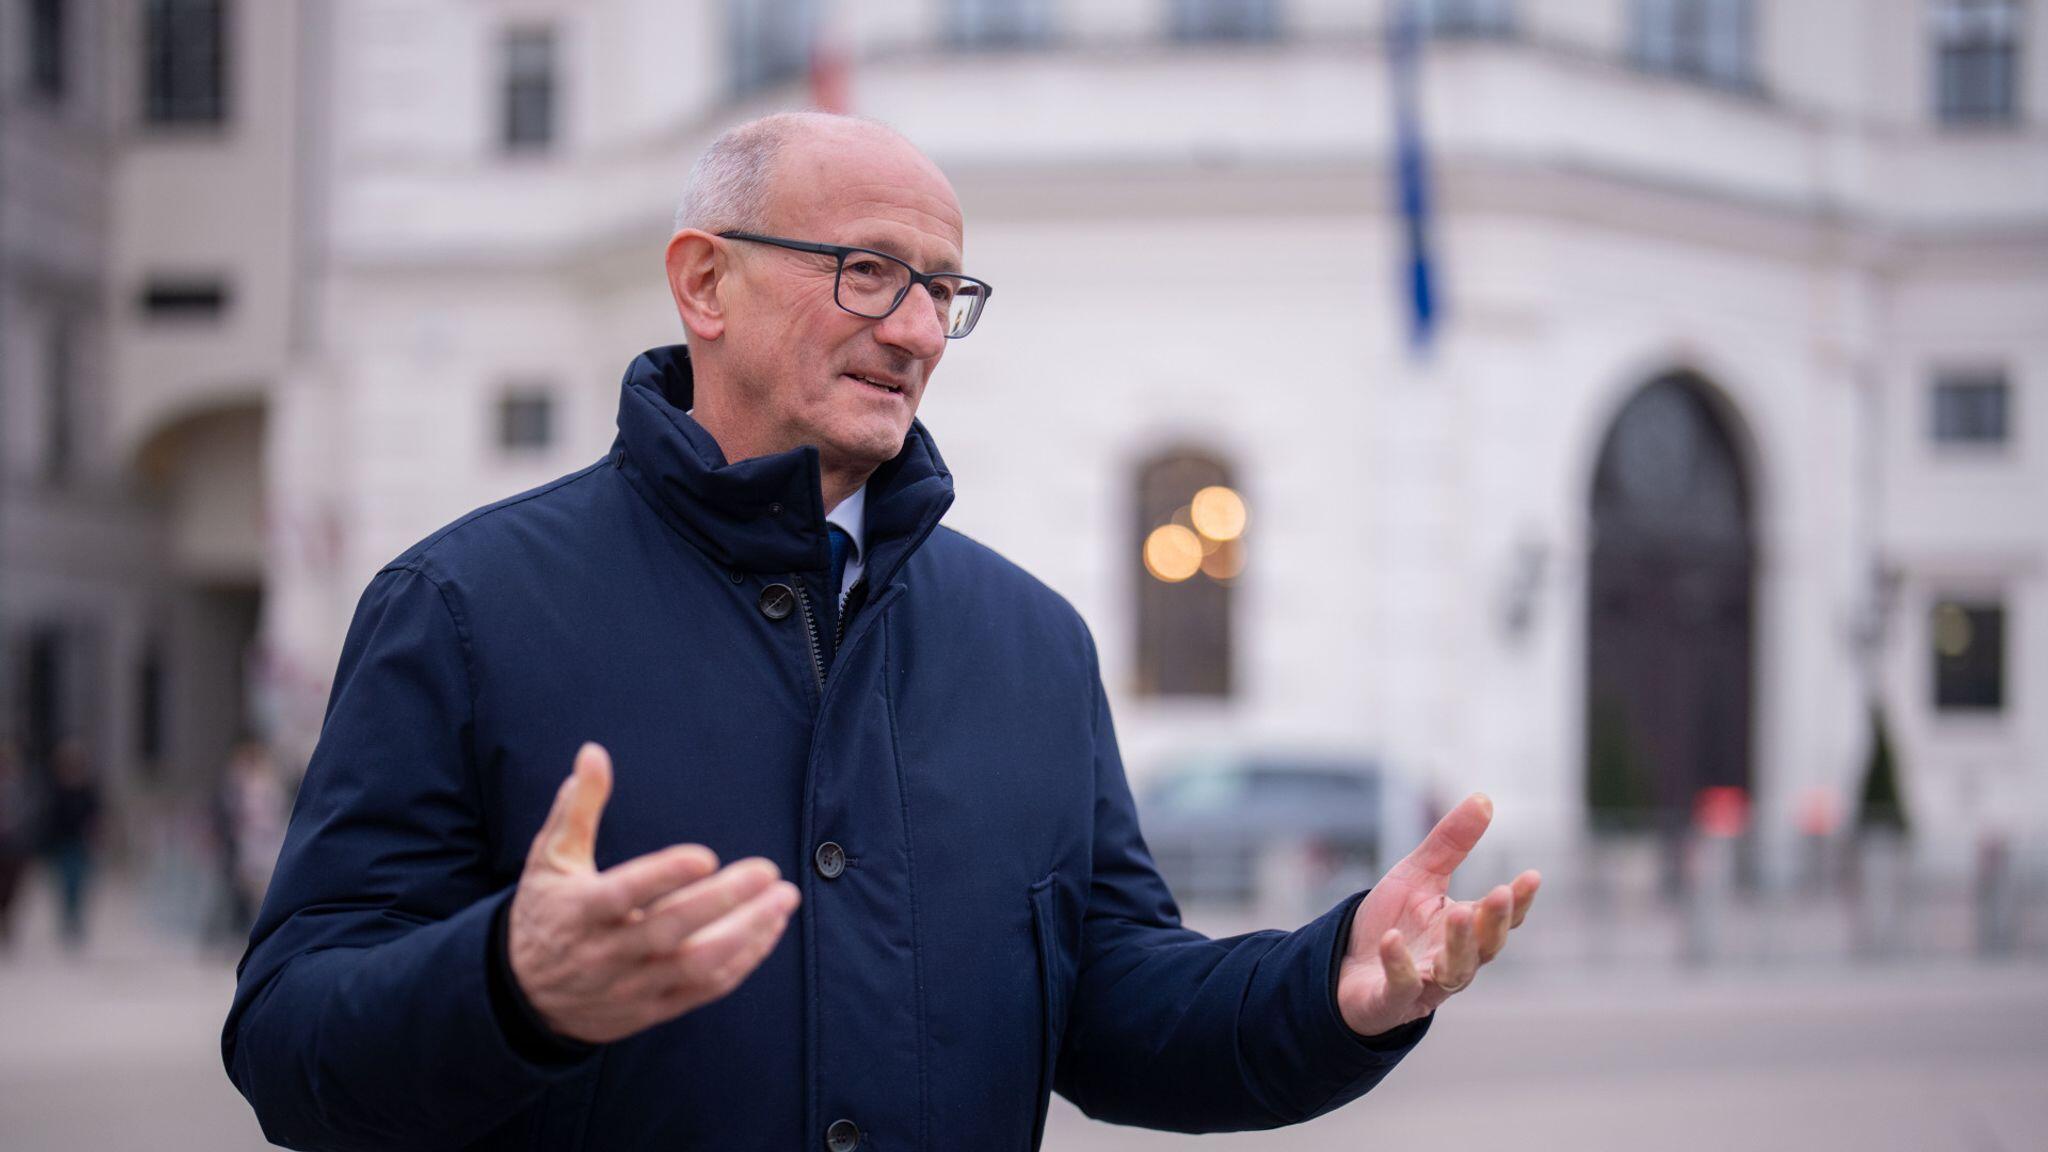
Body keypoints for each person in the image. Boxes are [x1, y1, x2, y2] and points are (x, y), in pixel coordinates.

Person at [224, 112, 1540, 1150]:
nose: (915, 330)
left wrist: (1333, 988)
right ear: (705, 283)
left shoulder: (1031, 642)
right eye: (867, 273)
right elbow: (290, 1043)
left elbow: (1121, 1008)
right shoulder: (463, 608)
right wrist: (511, 988)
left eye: (942, 289)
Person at [42, 739, 102, 951]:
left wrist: (96, 835)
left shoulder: (87, 789)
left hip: (81, 844)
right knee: (65, 884)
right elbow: (49, 818)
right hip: (62, 844)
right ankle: (67, 919)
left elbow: (96, 815)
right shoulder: (56, 789)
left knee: (79, 883)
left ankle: (75, 919)